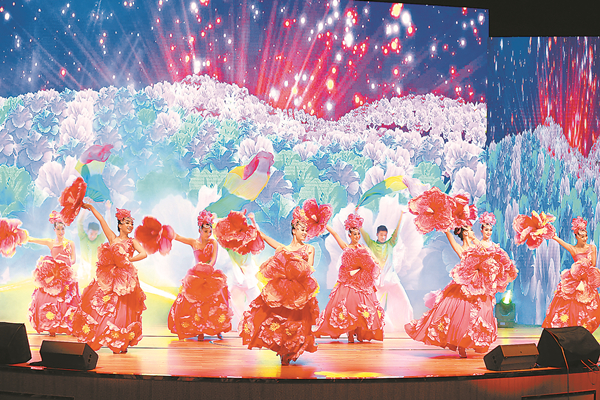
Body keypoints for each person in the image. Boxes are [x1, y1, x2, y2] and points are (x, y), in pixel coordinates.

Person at [405, 213, 517, 358]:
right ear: (465, 232)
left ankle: (470, 342)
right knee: (461, 314)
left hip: (480, 284)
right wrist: (444, 224)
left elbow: (488, 254)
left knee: (480, 314)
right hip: (465, 284)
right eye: (470, 229)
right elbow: (450, 236)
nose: (472, 232)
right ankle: (461, 344)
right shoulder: (461, 248)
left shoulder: (478, 245)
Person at [239, 212, 319, 365]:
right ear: (294, 230)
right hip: (284, 291)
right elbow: (264, 236)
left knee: (296, 323)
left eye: (306, 230)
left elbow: (310, 268)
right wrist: (252, 221)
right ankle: (283, 351)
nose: (304, 233)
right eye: (302, 229)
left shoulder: (309, 249)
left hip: (300, 292)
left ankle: (291, 350)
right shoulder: (284, 249)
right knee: (280, 320)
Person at [72, 204, 147, 354]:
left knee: (123, 310)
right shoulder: (113, 238)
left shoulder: (132, 242)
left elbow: (144, 253)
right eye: (127, 223)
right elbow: (101, 220)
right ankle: (101, 336)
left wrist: (129, 259)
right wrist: (90, 207)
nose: (130, 226)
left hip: (125, 279)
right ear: (120, 224)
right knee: (103, 306)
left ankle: (119, 340)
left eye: (132, 223)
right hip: (110, 277)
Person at [314, 213, 385, 342]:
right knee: (349, 306)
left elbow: (374, 260)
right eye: (354, 234)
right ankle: (350, 333)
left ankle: (360, 333)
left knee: (362, 307)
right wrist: (323, 224)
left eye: (358, 234)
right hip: (348, 281)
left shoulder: (364, 248)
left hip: (362, 282)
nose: (357, 236)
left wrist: (374, 264)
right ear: (349, 235)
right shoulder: (346, 247)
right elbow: (335, 234)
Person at [168, 210, 232, 340]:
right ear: (200, 230)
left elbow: (213, 259)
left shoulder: (213, 242)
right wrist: (167, 232)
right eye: (205, 231)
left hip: (210, 274)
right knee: (195, 303)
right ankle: (199, 330)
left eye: (210, 232)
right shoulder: (194, 242)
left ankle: (218, 329)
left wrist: (207, 268)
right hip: (196, 276)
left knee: (215, 303)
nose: (208, 234)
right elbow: (179, 237)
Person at [542, 216, 600, 332]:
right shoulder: (573, 249)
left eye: (586, 236)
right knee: (570, 306)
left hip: (586, 281)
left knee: (588, 307)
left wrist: (585, 271)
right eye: (582, 236)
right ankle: (571, 327)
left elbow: (593, 264)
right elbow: (557, 239)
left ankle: (584, 328)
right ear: (576, 236)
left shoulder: (592, 248)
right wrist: (545, 229)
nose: (585, 239)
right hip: (574, 280)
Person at [28, 212, 80, 336]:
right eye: (58, 229)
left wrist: (66, 261)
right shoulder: (50, 242)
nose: (61, 232)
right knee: (51, 300)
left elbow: (73, 259)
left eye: (63, 229)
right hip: (53, 276)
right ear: (54, 229)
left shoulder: (70, 243)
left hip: (65, 275)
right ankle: (51, 327)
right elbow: (33, 239)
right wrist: (21, 237)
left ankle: (69, 326)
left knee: (66, 301)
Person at [360, 211, 413, 332]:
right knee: (375, 304)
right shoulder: (371, 244)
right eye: (381, 235)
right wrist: (356, 214)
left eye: (385, 235)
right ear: (377, 234)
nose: (383, 237)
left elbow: (397, 231)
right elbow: (362, 232)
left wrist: (401, 215)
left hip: (391, 279)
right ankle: (373, 327)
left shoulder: (391, 243)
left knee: (404, 300)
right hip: (377, 281)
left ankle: (407, 323)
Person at [76, 208, 106, 285]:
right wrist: (84, 209)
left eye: (95, 234)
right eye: (91, 233)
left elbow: (107, 226)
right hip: (83, 273)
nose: (93, 236)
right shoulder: (83, 238)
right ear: (87, 231)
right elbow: (79, 222)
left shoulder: (99, 240)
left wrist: (108, 210)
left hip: (95, 274)